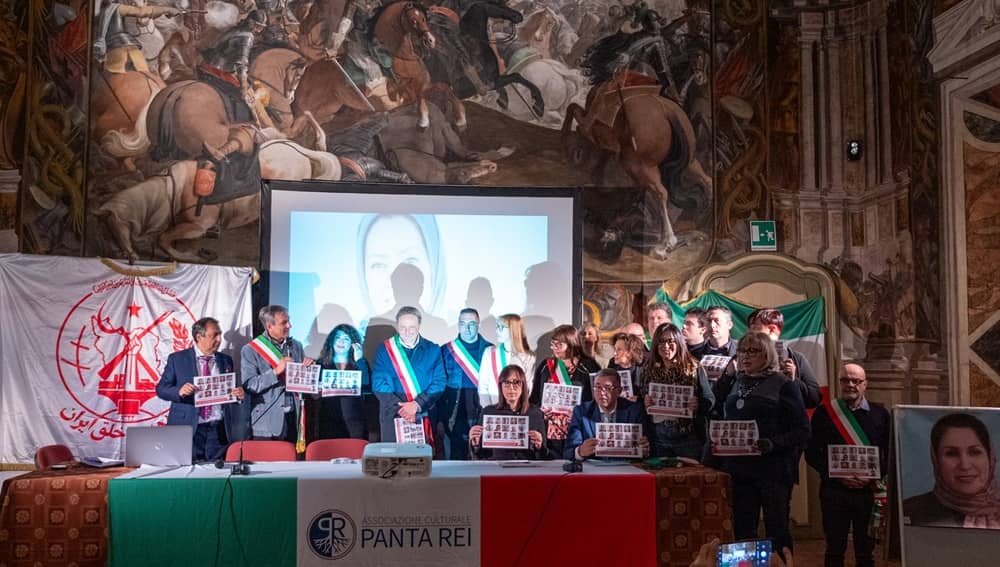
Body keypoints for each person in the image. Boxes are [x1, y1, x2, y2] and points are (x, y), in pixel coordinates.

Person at [712, 331, 810, 553]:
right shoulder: (737, 381)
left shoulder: (783, 384)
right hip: (739, 469)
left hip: (773, 470)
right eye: (742, 351)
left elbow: (803, 429)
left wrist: (773, 443)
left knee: (777, 531)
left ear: (766, 354)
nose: (745, 356)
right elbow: (717, 408)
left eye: (753, 351)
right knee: (743, 530)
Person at [806, 363, 891, 567]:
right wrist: (834, 474)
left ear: (865, 384)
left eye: (856, 381)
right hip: (834, 491)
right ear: (839, 382)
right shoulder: (824, 413)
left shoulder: (881, 414)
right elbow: (811, 452)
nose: (850, 384)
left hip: (868, 492)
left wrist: (872, 476)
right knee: (834, 550)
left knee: (865, 552)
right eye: (845, 380)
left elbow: (890, 454)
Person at [156, 317, 246, 461]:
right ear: (199, 337)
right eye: (214, 335)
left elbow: (227, 393)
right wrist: (179, 391)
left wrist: (237, 395)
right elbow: (161, 389)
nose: (219, 339)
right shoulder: (177, 359)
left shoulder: (225, 360)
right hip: (188, 429)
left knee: (217, 475)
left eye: (220, 334)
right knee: (186, 476)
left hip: (218, 430)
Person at [902, 412, 1000, 529]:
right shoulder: (910, 511)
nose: (964, 465)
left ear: (990, 457)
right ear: (936, 460)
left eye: (974, 452)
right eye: (951, 453)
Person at [371, 306, 446, 449]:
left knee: (422, 463)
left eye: (411, 327)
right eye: (402, 327)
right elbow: (379, 383)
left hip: (422, 414)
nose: (407, 332)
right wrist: (403, 410)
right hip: (393, 415)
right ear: (397, 326)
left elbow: (439, 382)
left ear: (419, 326)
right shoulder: (385, 349)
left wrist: (417, 405)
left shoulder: (433, 349)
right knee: (392, 462)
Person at [640, 323, 714, 460]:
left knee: (691, 478)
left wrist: (698, 404)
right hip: (657, 436)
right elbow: (641, 398)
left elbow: (710, 399)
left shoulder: (694, 367)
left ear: (679, 342)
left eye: (670, 341)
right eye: (661, 342)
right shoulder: (648, 369)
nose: (666, 346)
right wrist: (645, 401)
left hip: (688, 437)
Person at [356, 214, 445, 324]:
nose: (394, 279)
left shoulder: (449, 332)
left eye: (409, 261)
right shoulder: (359, 336)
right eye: (378, 265)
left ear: (434, 267)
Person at [242, 305, 314, 442]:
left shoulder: (296, 346)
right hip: (266, 420)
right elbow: (250, 385)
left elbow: (299, 380)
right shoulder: (251, 350)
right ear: (269, 326)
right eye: (284, 323)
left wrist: (308, 371)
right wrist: (275, 372)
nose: (289, 325)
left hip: (294, 418)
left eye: (289, 321)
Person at [529, 324, 595, 457]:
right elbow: (535, 398)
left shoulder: (588, 367)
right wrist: (540, 411)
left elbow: (594, 401)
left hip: (576, 429)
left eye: (559, 345)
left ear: (571, 344)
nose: (554, 348)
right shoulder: (546, 367)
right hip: (549, 429)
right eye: (553, 344)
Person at [440, 308, 493, 460]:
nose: (467, 329)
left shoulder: (491, 350)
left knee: (483, 457)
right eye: (463, 324)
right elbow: (440, 386)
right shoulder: (446, 350)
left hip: (482, 408)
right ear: (458, 325)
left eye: (471, 324)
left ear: (478, 325)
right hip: (454, 412)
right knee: (454, 459)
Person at [564, 369, 650, 461]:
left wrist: (645, 449)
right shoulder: (581, 411)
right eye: (598, 387)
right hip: (593, 470)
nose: (602, 393)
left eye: (608, 388)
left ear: (619, 391)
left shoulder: (634, 410)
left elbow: (646, 447)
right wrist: (580, 451)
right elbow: (568, 451)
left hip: (625, 468)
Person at [747, 308, 822, 409]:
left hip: (785, 421)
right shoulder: (744, 357)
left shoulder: (797, 358)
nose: (750, 332)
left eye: (755, 327)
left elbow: (814, 398)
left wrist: (793, 379)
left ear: (772, 329)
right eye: (749, 328)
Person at [469, 365, 547, 460]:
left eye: (516, 382)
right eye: (506, 383)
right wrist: (475, 443)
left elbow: (544, 455)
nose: (511, 388)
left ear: (523, 385)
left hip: (525, 468)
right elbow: (480, 455)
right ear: (500, 386)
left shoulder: (535, 413)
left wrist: (539, 446)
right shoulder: (488, 412)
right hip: (496, 468)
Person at [313, 324, 369, 440]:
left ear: (353, 344)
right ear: (332, 341)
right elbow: (314, 396)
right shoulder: (321, 364)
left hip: (355, 422)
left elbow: (367, 386)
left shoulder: (359, 364)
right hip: (328, 422)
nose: (341, 342)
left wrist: (359, 360)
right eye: (338, 337)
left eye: (346, 339)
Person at [478, 314, 536, 407]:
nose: (497, 331)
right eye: (497, 327)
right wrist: (487, 408)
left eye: (501, 327)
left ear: (513, 330)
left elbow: (528, 387)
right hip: (493, 406)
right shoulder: (489, 352)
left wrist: (519, 408)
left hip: (517, 409)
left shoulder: (529, 356)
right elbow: (483, 384)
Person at [607, 332, 646, 398]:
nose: (614, 353)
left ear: (630, 353)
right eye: (615, 349)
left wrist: (638, 400)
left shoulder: (642, 371)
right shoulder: (611, 368)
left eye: (619, 350)